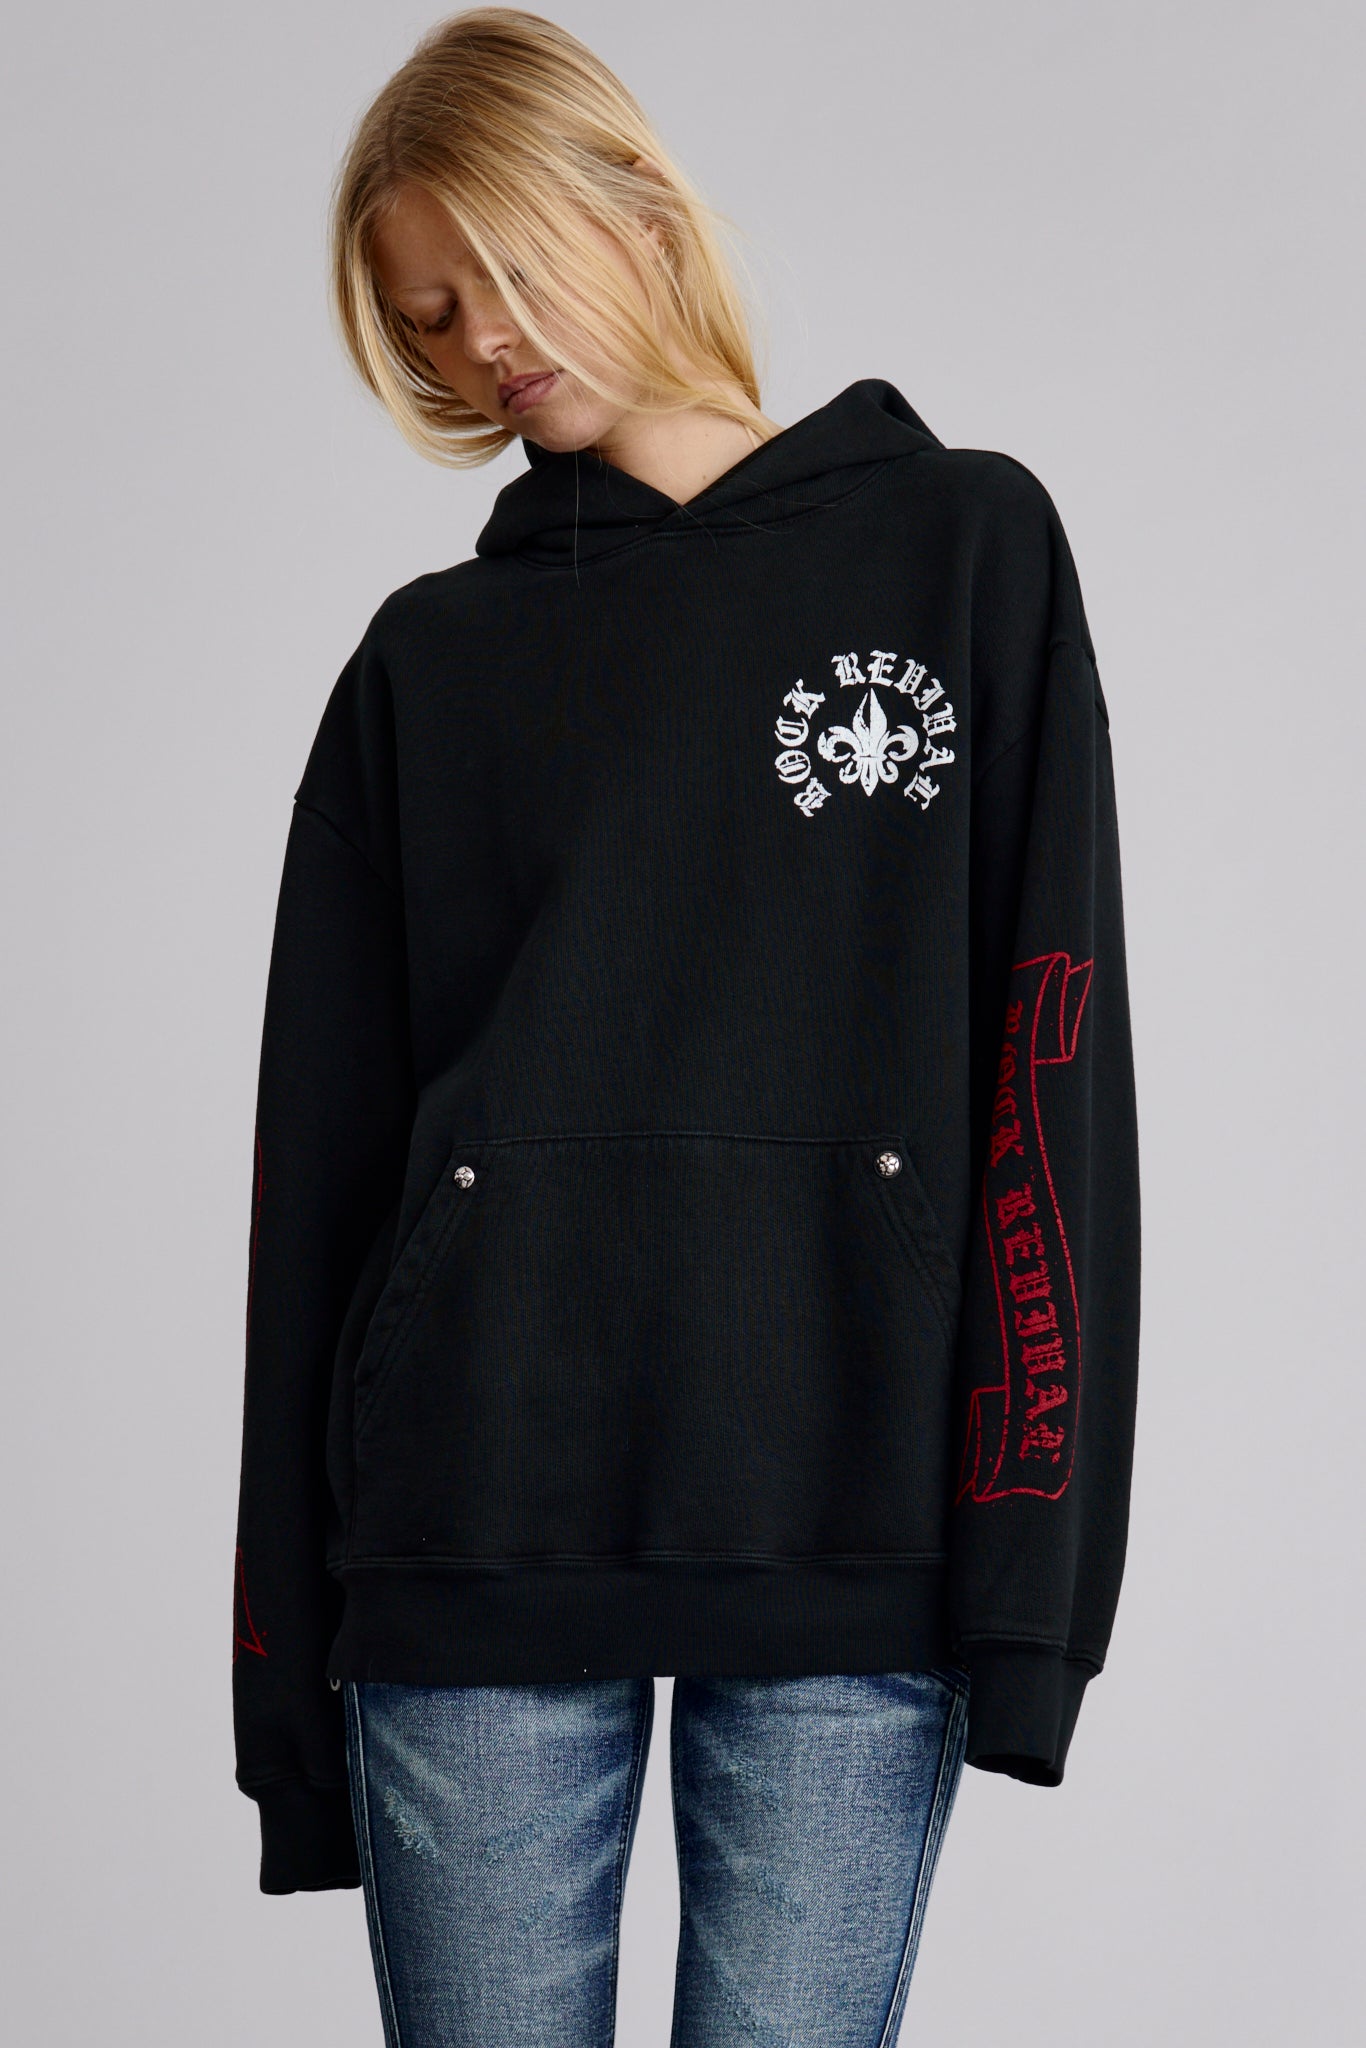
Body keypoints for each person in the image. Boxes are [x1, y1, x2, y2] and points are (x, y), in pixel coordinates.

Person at [231, 9, 1141, 2043]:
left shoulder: (961, 549)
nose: (481, 347)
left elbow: (1046, 1075)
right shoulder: (427, 663)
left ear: (634, 204)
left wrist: (1027, 1586)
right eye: (427, 318)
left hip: (848, 1526)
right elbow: (319, 1181)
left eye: (498, 272)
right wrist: (281, 1701)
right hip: (469, 1526)